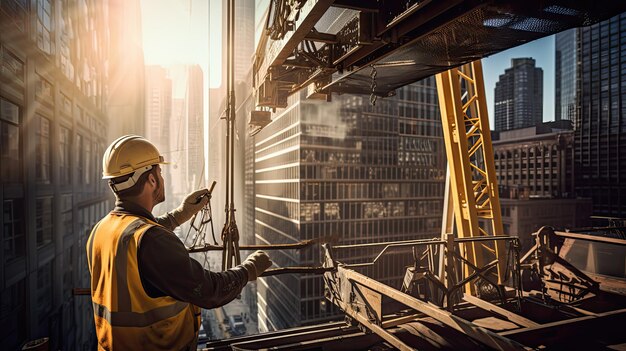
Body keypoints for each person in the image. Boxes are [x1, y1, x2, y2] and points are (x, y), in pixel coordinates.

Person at [86, 135, 272, 350]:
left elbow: (139, 243)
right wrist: (249, 269)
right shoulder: (152, 241)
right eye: (160, 173)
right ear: (152, 180)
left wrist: (181, 214)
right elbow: (210, 291)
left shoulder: (102, 229)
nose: (162, 179)